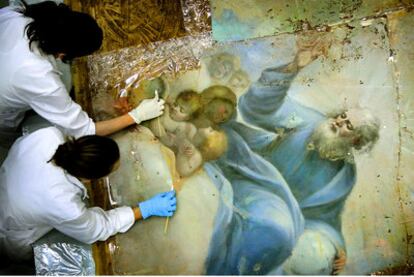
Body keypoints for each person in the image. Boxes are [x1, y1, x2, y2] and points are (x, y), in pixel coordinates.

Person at [237, 39, 380, 274]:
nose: (339, 121)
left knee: (313, 257)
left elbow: (324, 219)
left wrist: (335, 246)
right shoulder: (310, 122)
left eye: (348, 125)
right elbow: (256, 108)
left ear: (356, 140)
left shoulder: (344, 176)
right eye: (342, 115)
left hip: (281, 215)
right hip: (248, 177)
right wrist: (293, 66)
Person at [0, 1, 164, 158]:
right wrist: (136, 115)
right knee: (13, 141)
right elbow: (84, 130)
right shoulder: (42, 79)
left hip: (9, 74)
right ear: (62, 54)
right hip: (4, 107)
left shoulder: (16, 16)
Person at [0, 126, 177, 261]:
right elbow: (99, 228)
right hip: (12, 228)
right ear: (87, 178)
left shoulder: (49, 135)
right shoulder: (63, 203)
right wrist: (145, 209)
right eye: (112, 171)